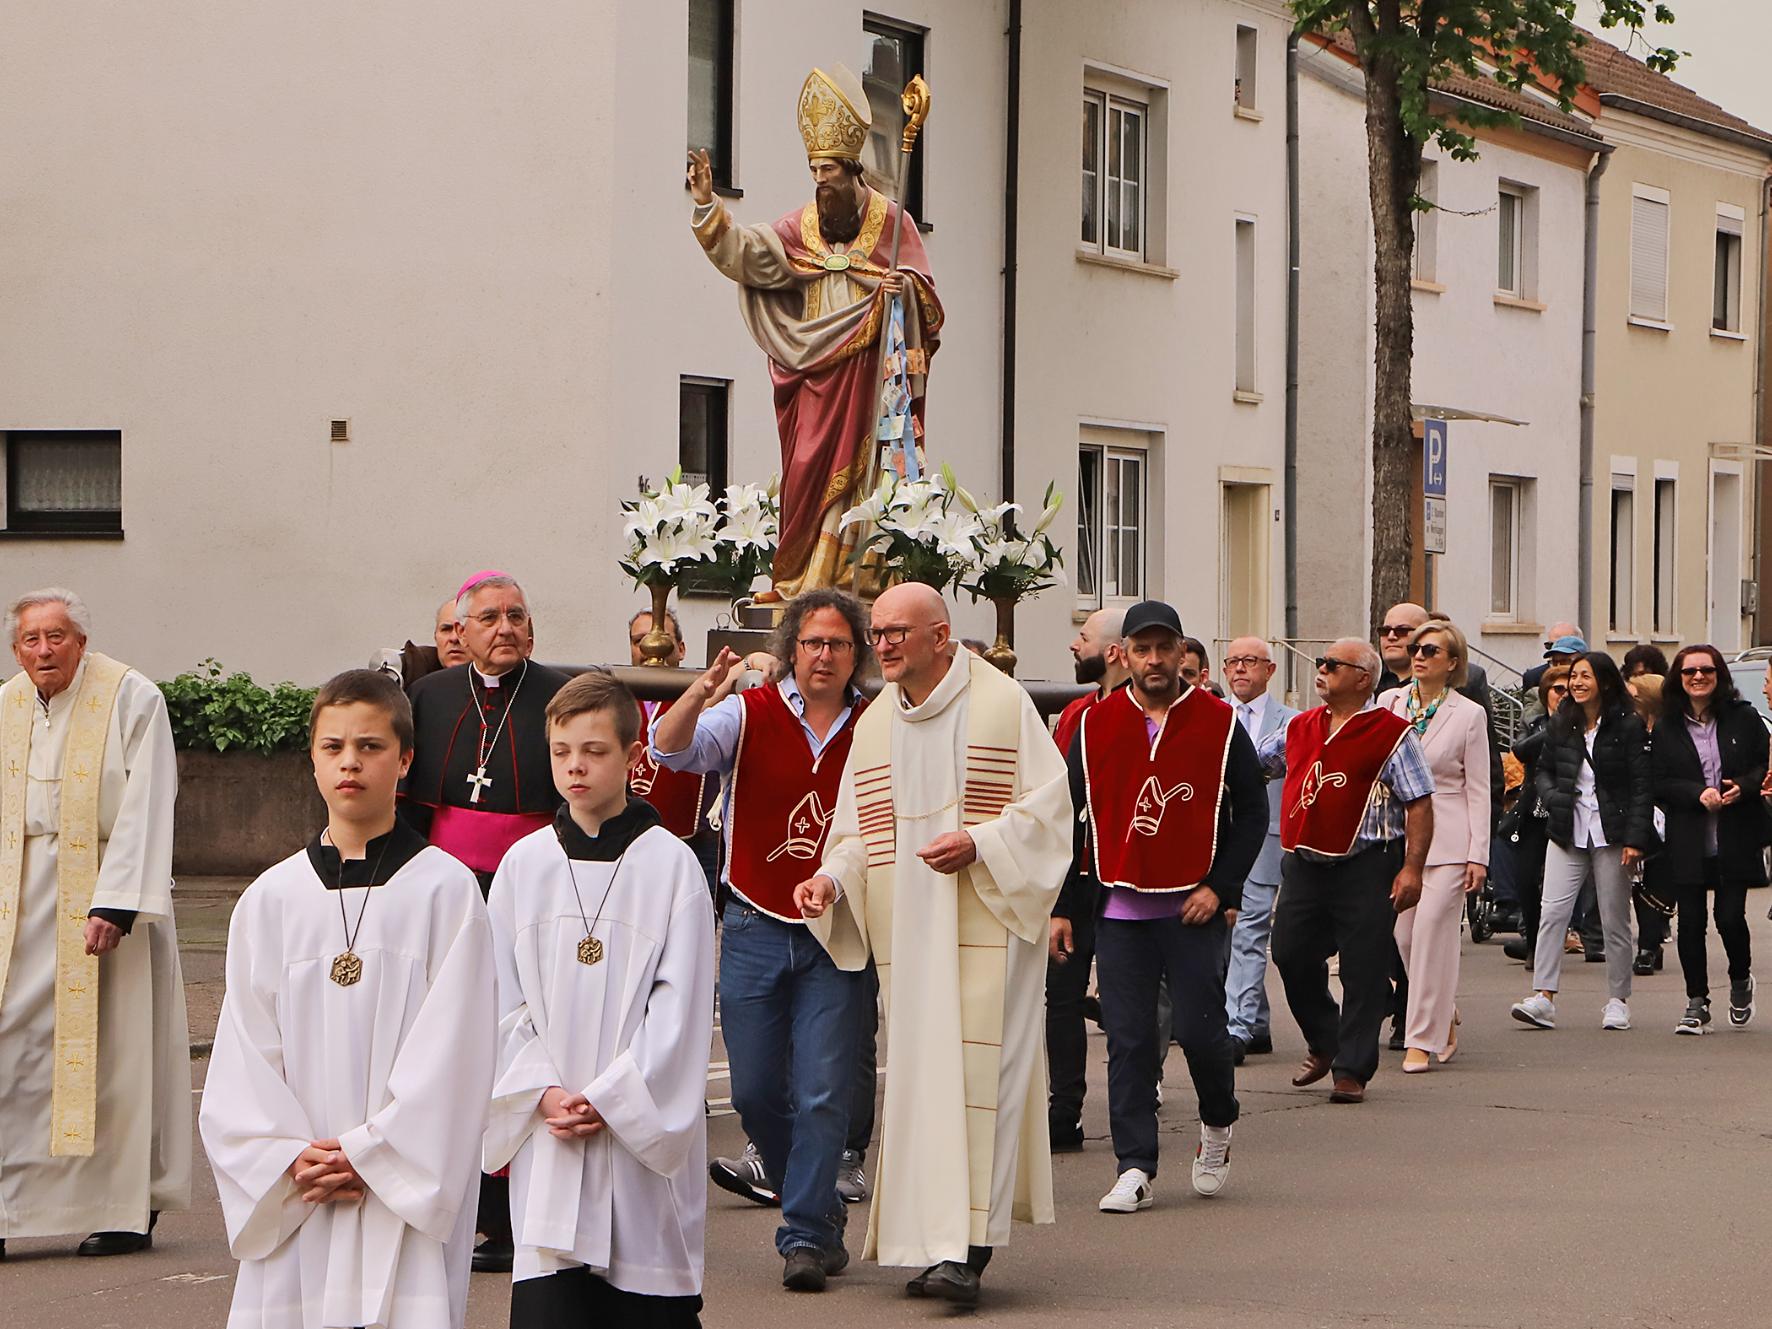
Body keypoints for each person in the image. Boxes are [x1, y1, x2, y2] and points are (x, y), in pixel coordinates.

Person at [794, 582, 1071, 1306]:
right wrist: (828, 878)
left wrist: (979, 841)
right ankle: (933, 1242)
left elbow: (1050, 814)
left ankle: (967, 1253)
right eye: (877, 632)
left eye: (896, 632)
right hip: (912, 936)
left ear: (942, 635)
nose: (881, 643)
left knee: (982, 1089)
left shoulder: (1003, 704)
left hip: (988, 924)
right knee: (924, 1090)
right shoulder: (877, 721)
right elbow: (856, 832)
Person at [201, 671, 496, 1327]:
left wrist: (374, 1154)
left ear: (406, 759)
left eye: (369, 745)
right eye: (332, 747)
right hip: (298, 1188)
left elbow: (458, 1053)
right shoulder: (271, 901)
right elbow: (244, 1052)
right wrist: (285, 1155)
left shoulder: (445, 894)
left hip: (397, 1190)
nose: (350, 762)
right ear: (312, 757)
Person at [650, 589, 872, 1292]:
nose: (825, 656)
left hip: (837, 931)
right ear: (791, 649)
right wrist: (700, 691)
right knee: (751, 1091)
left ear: (855, 653)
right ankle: (817, 1201)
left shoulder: (877, 725)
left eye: (838, 643)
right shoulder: (748, 712)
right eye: (813, 643)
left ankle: (805, 1233)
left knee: (822, 1091)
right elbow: (671, 749)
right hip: (751, 919)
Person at [485, 671, 714, 1327]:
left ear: (632, 755)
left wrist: (613, 1100)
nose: (575, 766)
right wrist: (541, 1090)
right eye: (562, 751)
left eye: (594, 750)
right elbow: (499, 997)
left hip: (636, 1143)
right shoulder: (523, 866)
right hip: (551, 1129)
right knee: (553, 1304)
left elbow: (682, 1009)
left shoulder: (670, 866)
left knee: (641, 1303)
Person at [689, 65, 942, 600]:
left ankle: (861, 578)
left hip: (871, 378)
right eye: (815, 172)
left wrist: (902, 292)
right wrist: (708, 209)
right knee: (804, 468)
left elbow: (926, 297)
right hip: (812, 374)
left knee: (870, 476)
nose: (821, 181)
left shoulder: (895, 224)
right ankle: (802, 581)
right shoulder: (798, 226)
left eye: (829, 171)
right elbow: (748, 254)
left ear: (854, 172)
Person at [1053, 602, 1266, 1216]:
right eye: (1140, 648)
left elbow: (1252, 810)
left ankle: (1218, 1121)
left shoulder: (1220, 722)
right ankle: (1135, 1166)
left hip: (1191, 908)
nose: (1152, 659)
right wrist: (1066, 906)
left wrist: (1222, 888)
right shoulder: (1094, 726)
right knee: (1128, 1041)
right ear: (1123, 653)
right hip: (1119, 910)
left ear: (1180, 653)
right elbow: (1072, 821)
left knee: (1202, 1034)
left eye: (1163, 648)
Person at [0, 589, 189, 1261]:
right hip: (19, 906)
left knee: (117, 1060)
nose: (43, 650)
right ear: (17, 647)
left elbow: (147, 798)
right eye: (30, 639)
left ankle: (123, 1209)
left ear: (82, 640)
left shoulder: (132, 696)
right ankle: (11, 1208)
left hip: (106, 899)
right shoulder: (7, 704)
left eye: (57, 636)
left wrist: (116, 903)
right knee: (16, 1056)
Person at [401, 570, 568, 1272]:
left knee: (518, 1041)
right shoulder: (430, 697)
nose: (504, 627)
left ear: (531, 629)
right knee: (446, 1041)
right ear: (461, 631)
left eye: (516, 616)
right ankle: (448, 1198)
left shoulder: (560, 692)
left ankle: (505, 1217)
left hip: (529, 889)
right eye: (490, 616)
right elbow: (411, 801)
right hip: (446, 891)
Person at [1258, 639, 1434, 1105]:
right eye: (1321, 662)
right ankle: (1326, 1038)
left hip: (1368, 864)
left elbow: (1419, 802)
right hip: (1304, 863)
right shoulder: (1300, 726)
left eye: (1332, 664)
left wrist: (1412, 869)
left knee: (1363, 967)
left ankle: (1352, 1068)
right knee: (1290, 952)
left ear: (1362, 678)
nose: (1320, 669)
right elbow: (1255, 764)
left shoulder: (1392, 732)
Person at [1509, 652, 1652, 1032]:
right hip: (1566, 831)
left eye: (1585, 676)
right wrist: (1555, 797)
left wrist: (1635, 839)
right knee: (1552, 912)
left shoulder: (1628, 725)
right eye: (1574, 676)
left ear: (1604, 682)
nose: (1577, 683)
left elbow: (1642, 785)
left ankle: (1618, 1001)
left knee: (1613, 919)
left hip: (1612, 834)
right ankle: (1543, 997)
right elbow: (1542, 771)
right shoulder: (1562, 723)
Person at [1377, 621, 1489, 1072]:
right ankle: (1442, 1011)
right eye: (1415, 648)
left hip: (1450, 834)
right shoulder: (1390, 702)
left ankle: (1420, 1039)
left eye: (1430, 650)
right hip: (1399, 833)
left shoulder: (1469, 714)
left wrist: (1478, 853)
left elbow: (1480, 788)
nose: (1418, 656)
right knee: (1403, 934)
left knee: (1428, 934)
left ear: (1452, 663)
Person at [1047, 607, 1128, 1150]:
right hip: (1076, 875)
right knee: (1061, 997)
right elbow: (1056, 803)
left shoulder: (1144, 713)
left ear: (1115, 652)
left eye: (1084, 637)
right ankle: (1064, 1110)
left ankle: (1135, 1099)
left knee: (1127, 999)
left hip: (1127, 875)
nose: (1075, 647)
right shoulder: (1074, 714)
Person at [1653, 645, 1763, 1033]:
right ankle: (1696, 1001)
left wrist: (1743, 788)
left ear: (1719, 676)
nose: (1698, 677)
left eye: (1706, 671)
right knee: (1691, 923)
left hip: (1734, 834)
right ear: (1678, 680)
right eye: (1689, 672)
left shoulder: (1743, 717)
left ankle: (1740, 979)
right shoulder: (1667, 726)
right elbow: (1660, 781)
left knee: (1730, 917)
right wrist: (1695, 792)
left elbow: (1760, 766)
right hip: (1688, 836)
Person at [1219, 638, 1298, 1062]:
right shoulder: (1214, 716)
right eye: (1232, 662)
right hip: (1220, 838)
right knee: (1231, 933)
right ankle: (1259, 1022)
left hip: (1267, 837)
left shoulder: (1292, 721)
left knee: (1250, 927)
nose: (1239, 670)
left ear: (1269, 670)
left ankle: (1237, 1026)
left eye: (1250, 662)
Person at [1502, 667, 1571, 966]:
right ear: (1545, 695)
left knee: (1563, 885)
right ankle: (1533, 939)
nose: (1564, 695)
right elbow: (1520, 750)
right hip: (1533, 811)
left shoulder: (1586, 725)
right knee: (1526, 878)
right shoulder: (1535, 722)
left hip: (1568, 812)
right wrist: (1554, 727)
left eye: (1568, 690)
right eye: (1557, 690)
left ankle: (1562, 940)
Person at [1625, 672, 1672, 975]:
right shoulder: (1628, 731)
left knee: (1658, 882)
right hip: (1637, 811)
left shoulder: (1670, 733)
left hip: (1669, 813)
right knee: (1639, 883)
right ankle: (1647, 945)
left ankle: (1649, 946)